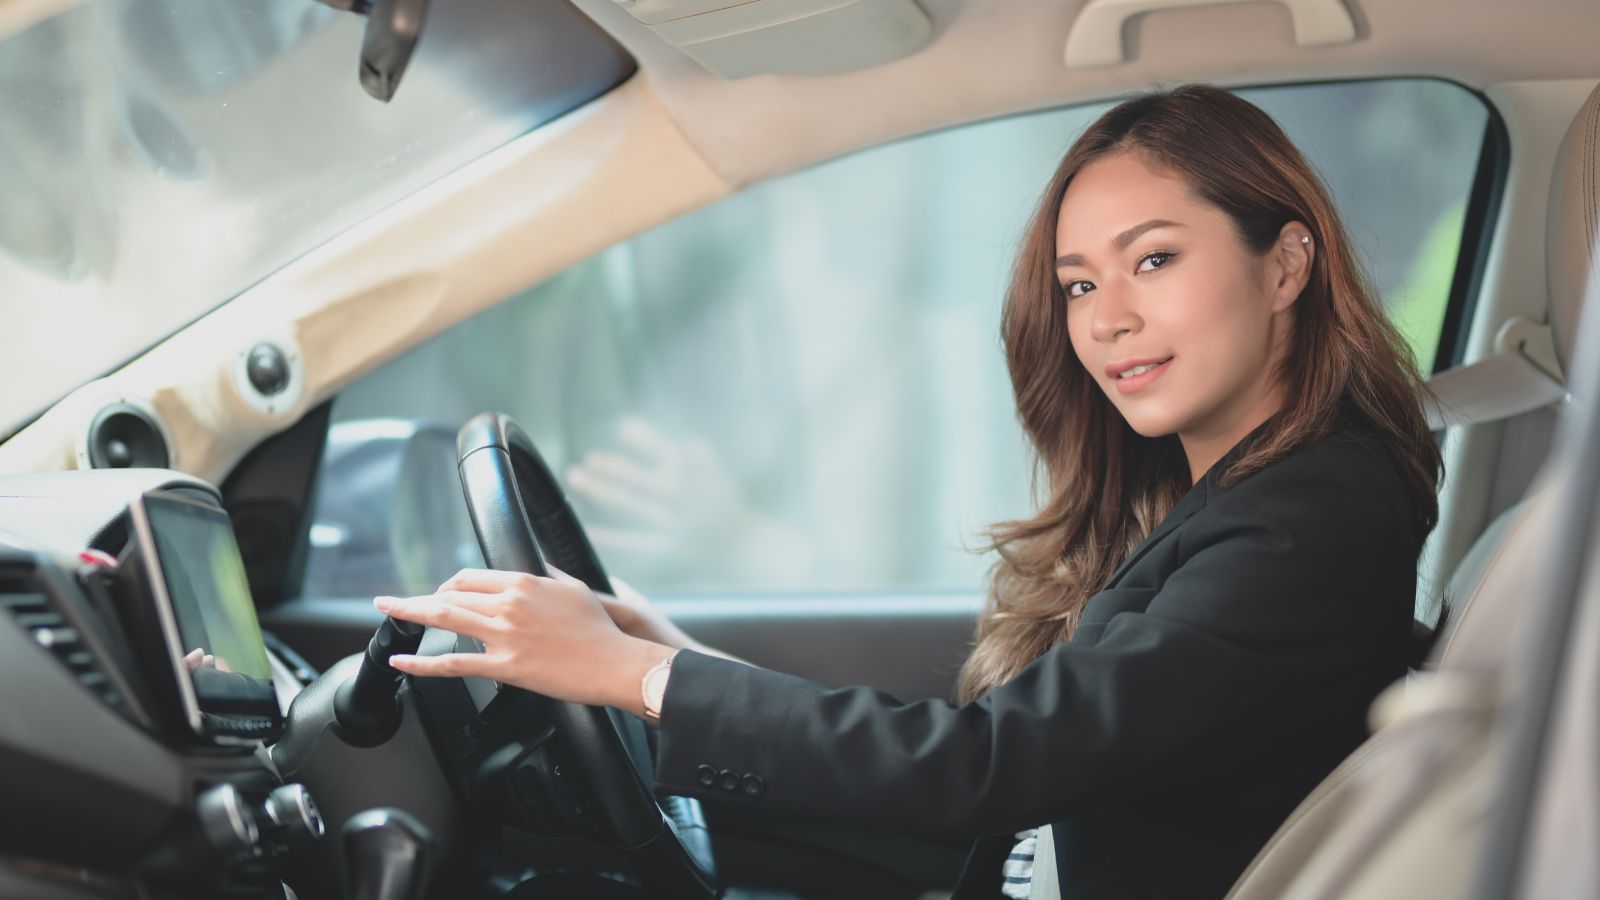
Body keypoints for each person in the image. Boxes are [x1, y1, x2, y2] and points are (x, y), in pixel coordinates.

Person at [374, 83, 1443, 900]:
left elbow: (991, 769)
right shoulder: (1232, 502)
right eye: (1077, 284)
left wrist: (637, 674)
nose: (1103, 318)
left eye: (1152, 260)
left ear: (1287, 264)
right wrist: (672, 660)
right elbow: (1004, 786)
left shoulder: (1312, 519)